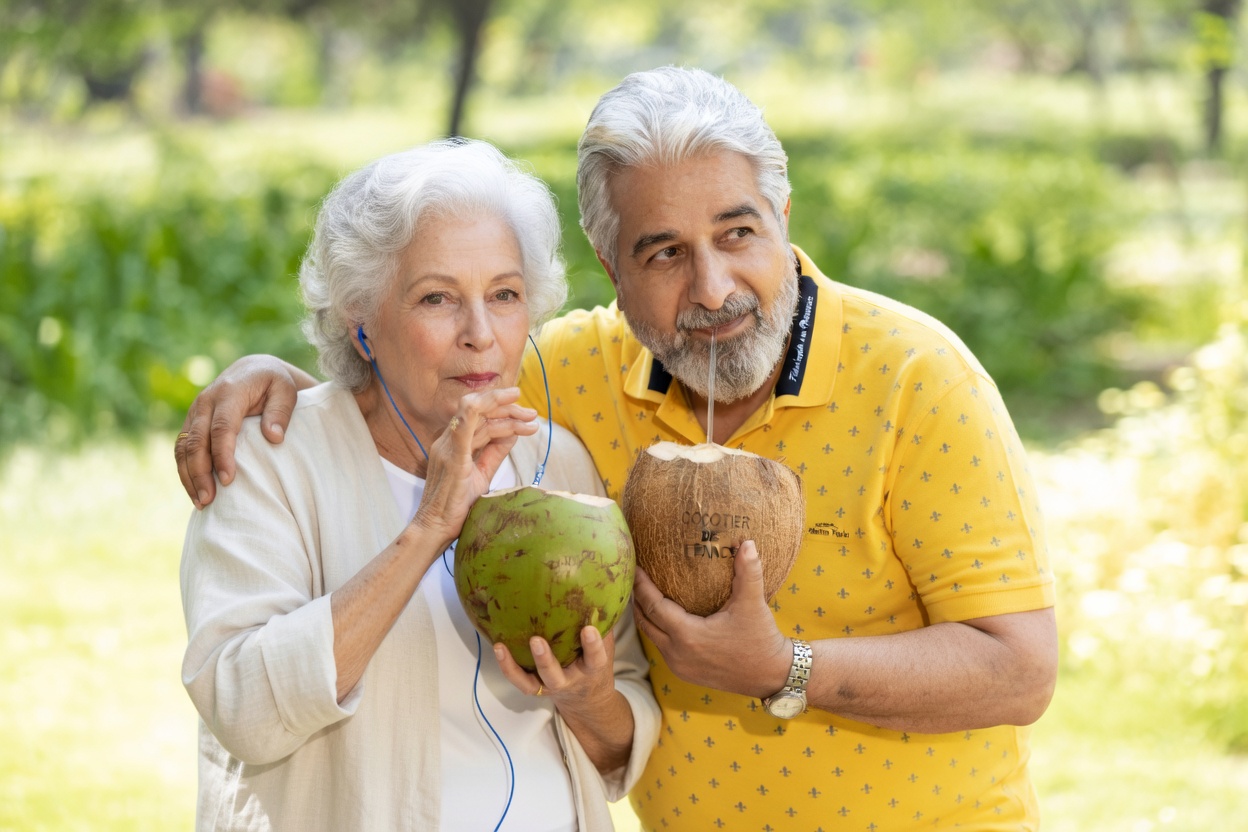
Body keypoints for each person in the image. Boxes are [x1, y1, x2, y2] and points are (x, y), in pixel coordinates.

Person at [176, 68, 1058, 830]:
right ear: (610, 266)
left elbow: (1020, 672)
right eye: (665, 252)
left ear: (784, 217)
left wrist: (783, 669)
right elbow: (413, 365)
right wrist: (273, 377)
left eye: (739, 233)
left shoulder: (919, 380)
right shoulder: (567, 384)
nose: (712, 287)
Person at [178, 138, 659, 831]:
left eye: (504, 295)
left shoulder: (559, 466)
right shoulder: (267, 459)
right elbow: (245, 709)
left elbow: (622, 737)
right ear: (362, 325)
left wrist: (586, 699)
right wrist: (430, 524)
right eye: (437, 298)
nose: (481, 334)